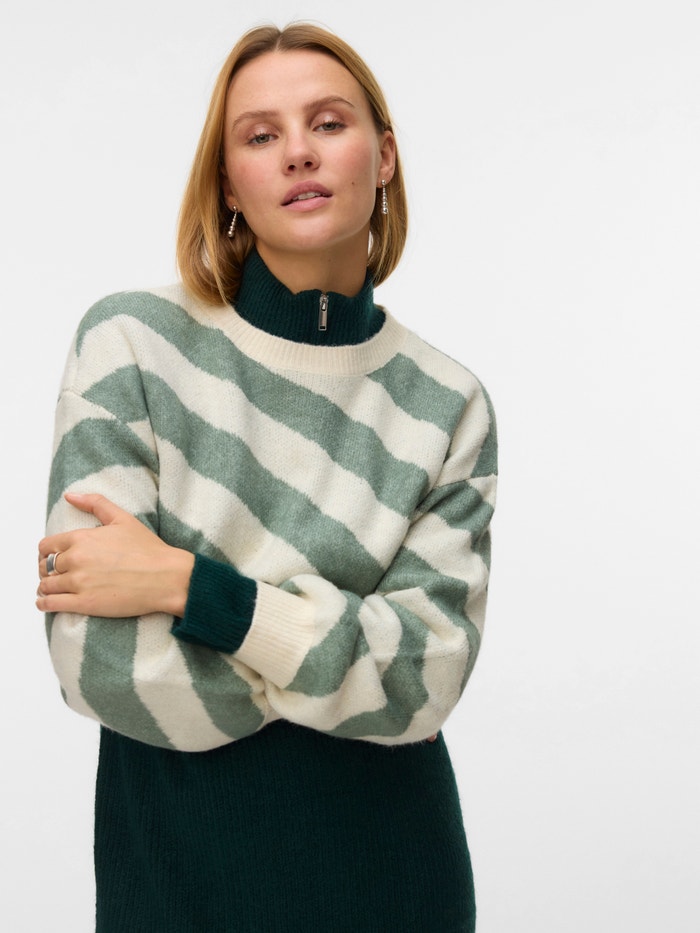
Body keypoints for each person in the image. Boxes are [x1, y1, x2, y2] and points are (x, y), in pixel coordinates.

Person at [37, 21, 497, 933]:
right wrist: (339, 654)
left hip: (397, 882)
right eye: (259, 135)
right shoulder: (133, 345)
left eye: (328, 122)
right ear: (227, 183)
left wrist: (190, 587)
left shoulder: (448, 404)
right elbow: (100, 665)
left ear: (384, 156)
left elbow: (425, 678)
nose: (297, 153)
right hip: (176, 884)